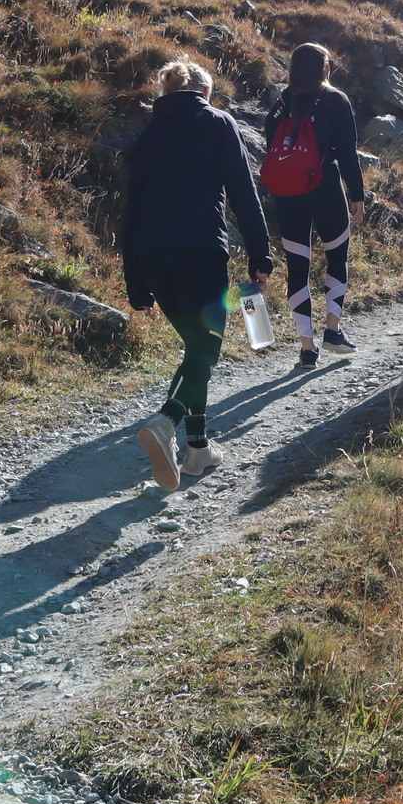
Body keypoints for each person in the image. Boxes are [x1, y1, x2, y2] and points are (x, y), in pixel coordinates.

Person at [120, 57, 272, 491]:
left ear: (167, 93)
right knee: (206, 348)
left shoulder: (149, 135)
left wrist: (135, 280)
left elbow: (131, 211)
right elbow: (243, 192)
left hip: (152, 257)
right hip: (200, 251)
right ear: (205, 92)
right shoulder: (218, 123)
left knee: (196, 350)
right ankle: (166, 420)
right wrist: (260, 254)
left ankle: (198, 449)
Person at [259, 42, 368, 371]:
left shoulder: (281, 103)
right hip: (324, 187)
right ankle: (332, 331)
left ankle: (307, 348)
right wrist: (357, 195)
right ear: (324, 68)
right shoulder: (334, 99)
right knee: (336, 256)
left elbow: (270, 142)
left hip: (287, 192)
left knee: (297, 266)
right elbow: (347, 153)